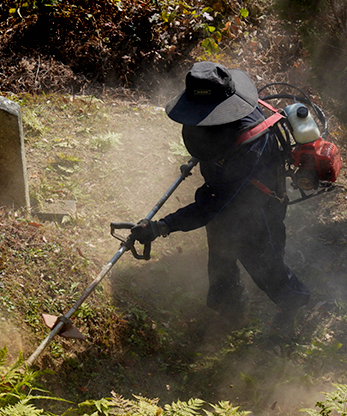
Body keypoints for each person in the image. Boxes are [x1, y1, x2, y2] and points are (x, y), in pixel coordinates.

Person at [132, 61, 310, 337]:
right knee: (220, 257)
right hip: (225, 193)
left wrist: (162, 226)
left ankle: (292, 303)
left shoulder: (252, 143)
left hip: (258, 207)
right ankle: (229, 309)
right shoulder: (213, 120)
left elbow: (213, 205)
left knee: (264, 264)